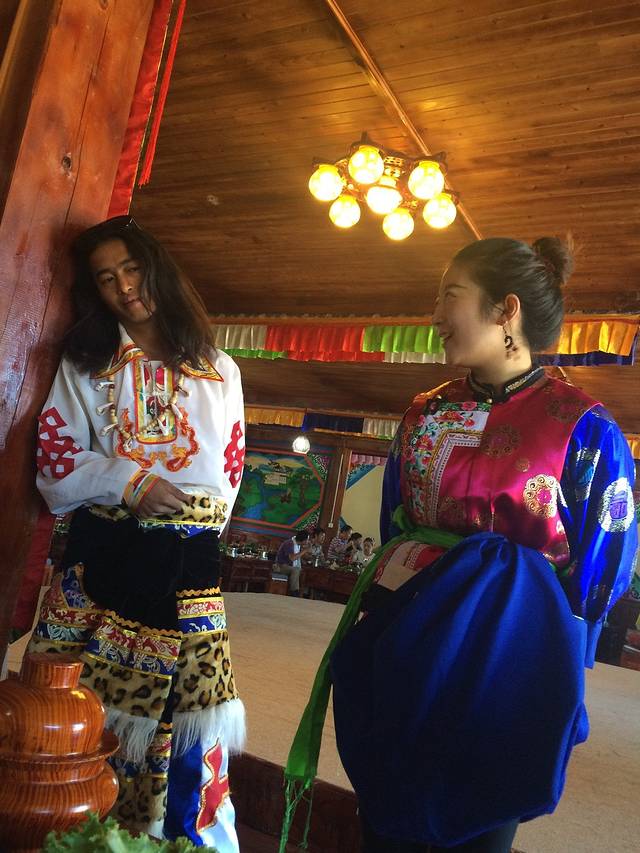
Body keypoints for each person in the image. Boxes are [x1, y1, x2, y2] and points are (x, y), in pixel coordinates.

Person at [281, 237, 637, 853]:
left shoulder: (584, 427)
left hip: (511, 655)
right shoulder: (425, 411)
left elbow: (604, 562)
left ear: (506, 310)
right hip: (408, 640)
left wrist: (559, 671)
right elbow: (395, 524)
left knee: (478, 818)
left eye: (451, 295)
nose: (436, 315)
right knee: (387, 814)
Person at [27, 216, 246, 850]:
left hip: (187, 568)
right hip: (103, 557)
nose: (124, 287)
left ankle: (175, 836)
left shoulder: (219, 369)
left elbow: (228, 472)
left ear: (157, 270)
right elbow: (55, 462)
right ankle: (80, 832)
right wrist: (129, 482)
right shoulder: (85, 367)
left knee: (189, 720)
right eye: (106, 278)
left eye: (132, 268)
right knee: (74, 712)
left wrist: (186, 522)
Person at [275, 530, 310, 595]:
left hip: (289, 566)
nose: (308, 541)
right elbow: (292, 558)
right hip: (281, 566)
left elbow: (299, 557)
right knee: (296, 570)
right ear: (303, 540)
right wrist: (305, 551)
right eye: (307, 540)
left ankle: (303, 593)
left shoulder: (298, 545)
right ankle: (294, 592)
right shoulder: (289, 543)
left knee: (303, 571)